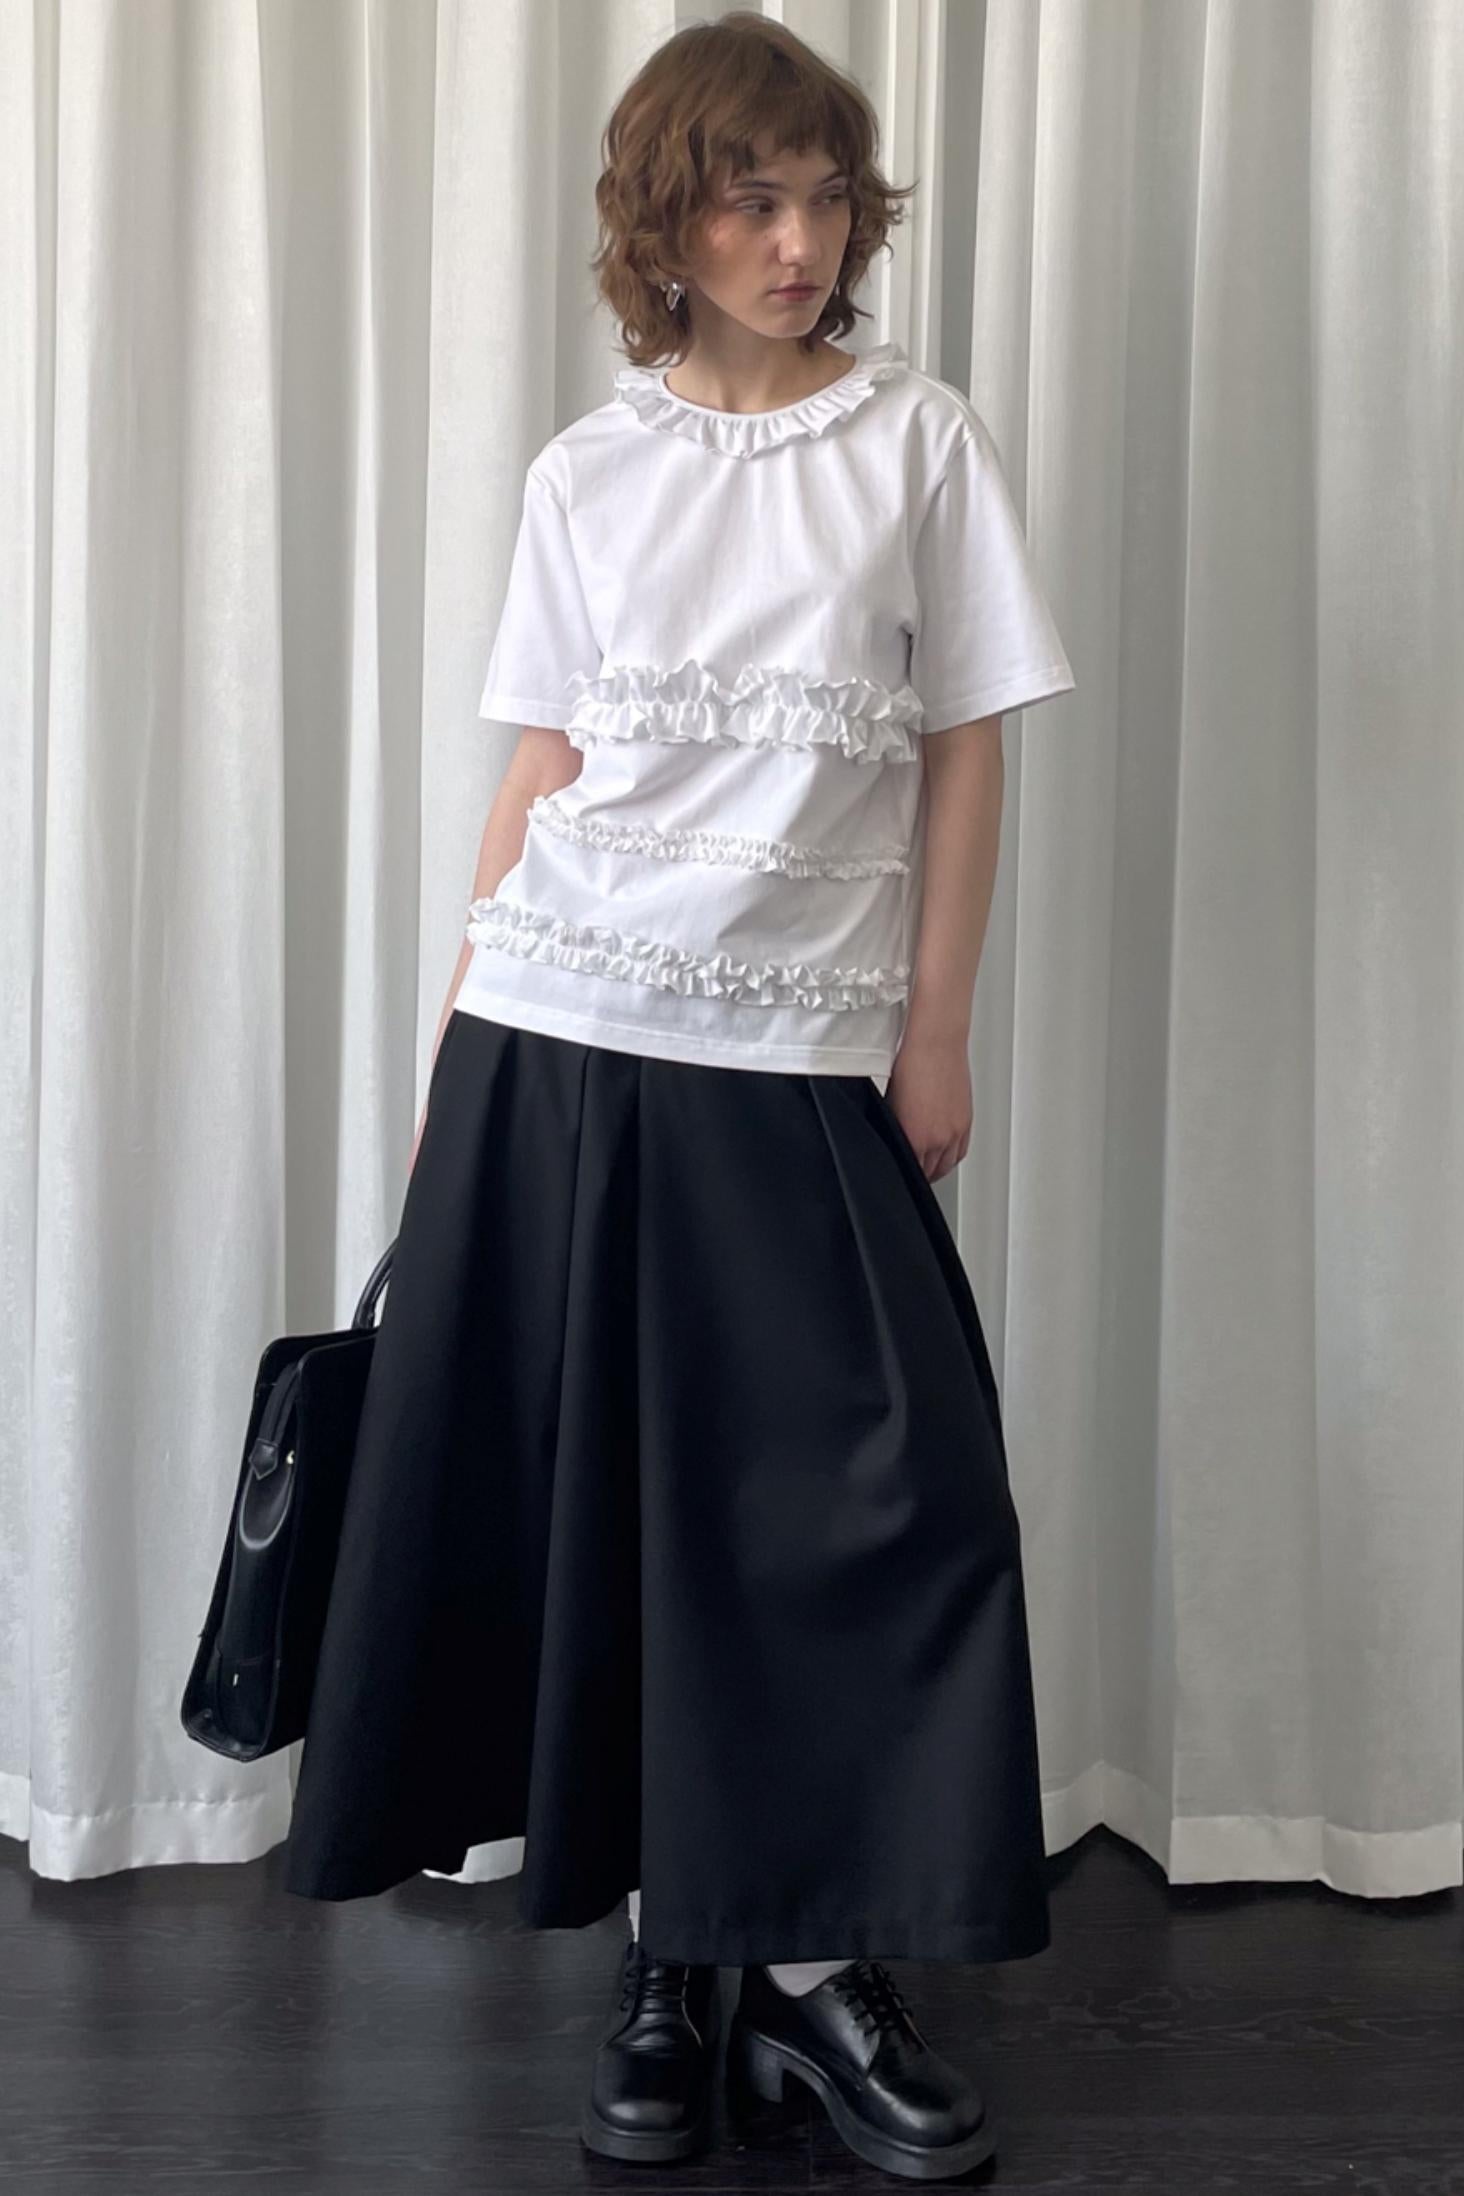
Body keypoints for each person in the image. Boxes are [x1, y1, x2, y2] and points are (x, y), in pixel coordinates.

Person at [279, 11, 1075, 2184]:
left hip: (804, 1055)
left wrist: (935, 1023)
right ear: (666, 224)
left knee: (879, 1509)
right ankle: (672, 1957)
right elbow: (539, 770)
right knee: (603, 1510)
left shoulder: (918, 445)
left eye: (823, 200)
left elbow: (969, 744)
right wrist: (452, 1048)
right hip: (560, 1032)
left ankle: (808, 1968)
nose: (798, 241)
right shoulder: (586, 472)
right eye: (749, 201)